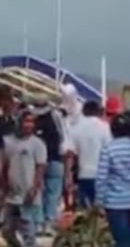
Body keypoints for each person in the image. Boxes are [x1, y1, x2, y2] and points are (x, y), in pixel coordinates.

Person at [95, 113, 130, 247]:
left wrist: (99, 201)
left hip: (113, 200)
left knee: (119, 236)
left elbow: (102, 177)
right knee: (128, 232)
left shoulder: (108, 148)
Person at [2, 110, 47, 247]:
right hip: (12, 195)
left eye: (31, 122)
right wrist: (3, 188)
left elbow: (40, 167)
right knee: (7, 230)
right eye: (26, 121)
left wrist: (34, 188)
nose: (29, 125)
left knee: (28, 232)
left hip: (28, 194)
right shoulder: (8, 142)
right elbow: (4, 165)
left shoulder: (37, 144)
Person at [32, 93, 73, 236]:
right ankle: (48, 222)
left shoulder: (31, 118)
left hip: (36, 161)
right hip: (55, 158)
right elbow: (64, 136)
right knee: (53, 192)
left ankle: (38, 222)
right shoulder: (56, 116)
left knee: (38, 191)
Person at [69, 101, 112, 209]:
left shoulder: (75, 128)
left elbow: (70, 153)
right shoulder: (105, 127)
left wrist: (68, 177)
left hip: (83, 174)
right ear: (98, 112)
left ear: (83, 111)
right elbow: (110, 150)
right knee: (102, 211)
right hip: (102, 175)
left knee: (85, 212)